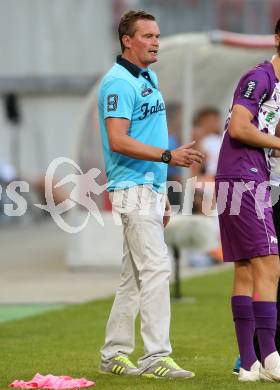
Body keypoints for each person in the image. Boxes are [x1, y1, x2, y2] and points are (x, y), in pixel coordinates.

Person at [98, 10, 203, 379]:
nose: (156, 42)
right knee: (157, 269)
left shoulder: (148, 77)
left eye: (157, 35)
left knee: (134, 277)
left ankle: (114, 354)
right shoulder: (117, 84)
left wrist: (162, 192)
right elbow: (118, 140)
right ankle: (155, 356)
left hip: (150, 188)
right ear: (127, 40)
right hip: (130, 186)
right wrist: (167, 156)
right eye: (148, 36)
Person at [215, 18, 280, 382]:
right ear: (277, 39)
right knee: (270, 266)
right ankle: (271, 358)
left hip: (238, 174)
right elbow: (240, 128)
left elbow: (264, 132)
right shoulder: (261, 77)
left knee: (244, 268)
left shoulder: (277, 85)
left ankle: (249, 363)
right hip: (244, 175)